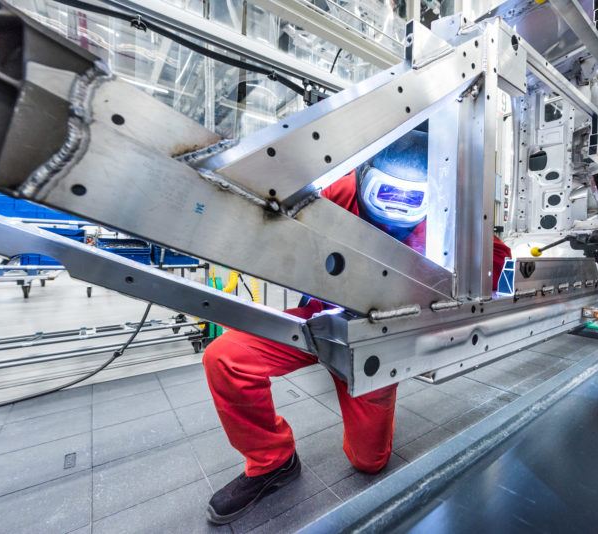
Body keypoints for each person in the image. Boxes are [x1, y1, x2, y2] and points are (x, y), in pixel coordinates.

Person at [202, 130, 511, 525]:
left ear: (431, 196)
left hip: (377, 345)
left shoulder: (446, 218)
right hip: (318, 323)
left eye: (410, 202)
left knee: (369, 462)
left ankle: (358, 421)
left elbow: (499, 261)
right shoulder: (334, 195)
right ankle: (272, 460)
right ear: (365, 178)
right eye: (385, 198)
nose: (394, 213)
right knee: (226, 356)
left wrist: (461, 297)